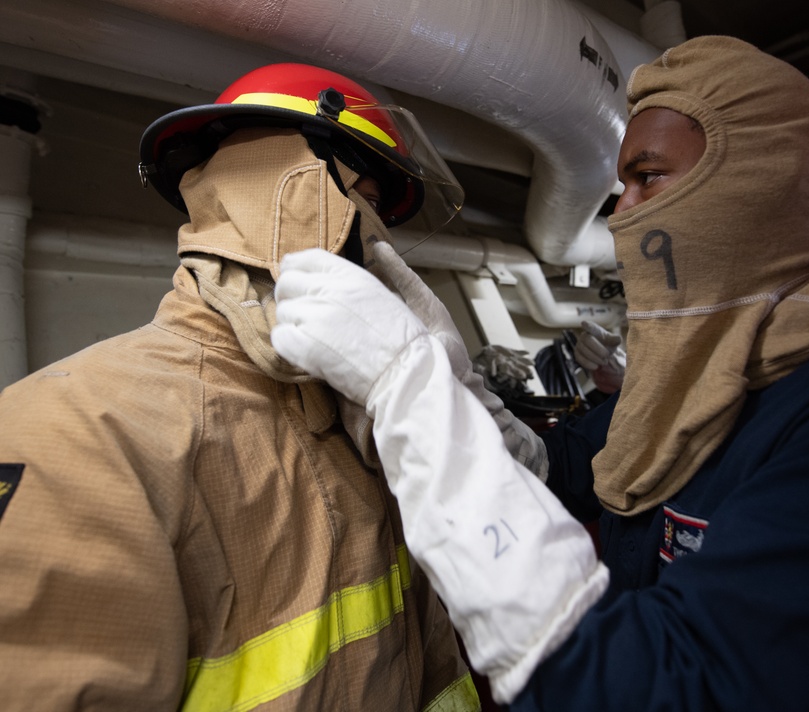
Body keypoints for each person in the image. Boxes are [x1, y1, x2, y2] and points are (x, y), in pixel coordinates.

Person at [268, 36, 809, 711]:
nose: (623, 216)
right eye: (623, 186)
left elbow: (657, 687)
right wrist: (452, 381)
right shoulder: (706, 374)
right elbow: (567, 467)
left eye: (650, 177)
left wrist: (412, 395)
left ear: (753, 183)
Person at [0, 63, 482, 711]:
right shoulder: (73, 434)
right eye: (368, 206)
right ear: (307, 197)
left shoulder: (370, 420)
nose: (383, 247)